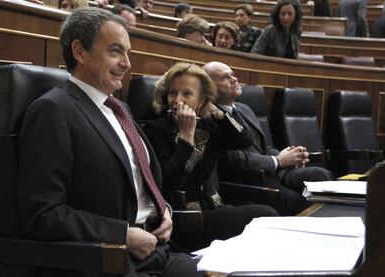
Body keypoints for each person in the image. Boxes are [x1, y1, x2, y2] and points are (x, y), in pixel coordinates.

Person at [17, 8, 203, 277]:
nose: (127, 63)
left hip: (158, 251)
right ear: (80, 52)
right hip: (110, 260)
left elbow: (144, 181)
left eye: (128, 52)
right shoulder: (53, 110)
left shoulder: (121, 109)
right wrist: (123, 235)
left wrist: (165, 211)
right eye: (116, 51)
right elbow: (43, 214)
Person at [143, 62, 278, 250]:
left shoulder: (208, 124)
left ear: (202, 101)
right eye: (172, 93)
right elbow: (170, 180)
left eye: (187, 94)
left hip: (213, 207)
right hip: (184, 217)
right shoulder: (155, 129)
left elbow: (245, 140)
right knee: (266, 214)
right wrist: (186, 136)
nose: (177, 100)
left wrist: (220, 114)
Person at [203, 61, 334, 215]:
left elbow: (266, 147)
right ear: (209, 86)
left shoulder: (244, 109)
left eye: (233, 74)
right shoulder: (212, 118)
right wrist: (278, 161)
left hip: (275, 172)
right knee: (298, 200)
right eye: (225, 77)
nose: (234, 79)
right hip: (252, 180)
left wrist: (291, 157)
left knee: (322, 176)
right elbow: (235, 160)